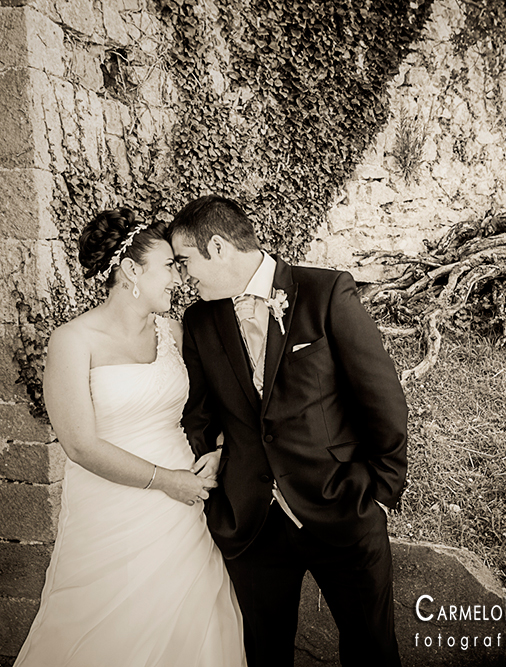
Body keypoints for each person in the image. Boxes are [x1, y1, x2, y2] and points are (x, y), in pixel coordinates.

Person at [169, 194, 408, 667]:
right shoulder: (198, 320)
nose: (182, 276)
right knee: (264, 654)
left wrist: (379, 492)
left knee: (372, 650)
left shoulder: (324, 292)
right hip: (252, 524)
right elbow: (199, 412)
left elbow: (381, 397)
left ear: (217, 248)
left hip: (343, 508)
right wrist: (215, 449)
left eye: (185, 261)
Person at [14, 209, 246, 667]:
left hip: (184, 509)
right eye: (167, 266)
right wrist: (166, 481)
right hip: (111, 506)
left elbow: (208, 413)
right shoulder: (72, 341)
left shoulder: (176, 333)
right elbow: (79, 445)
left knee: (193, 619)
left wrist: (217, 453)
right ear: (131, 271)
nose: (177, 279)